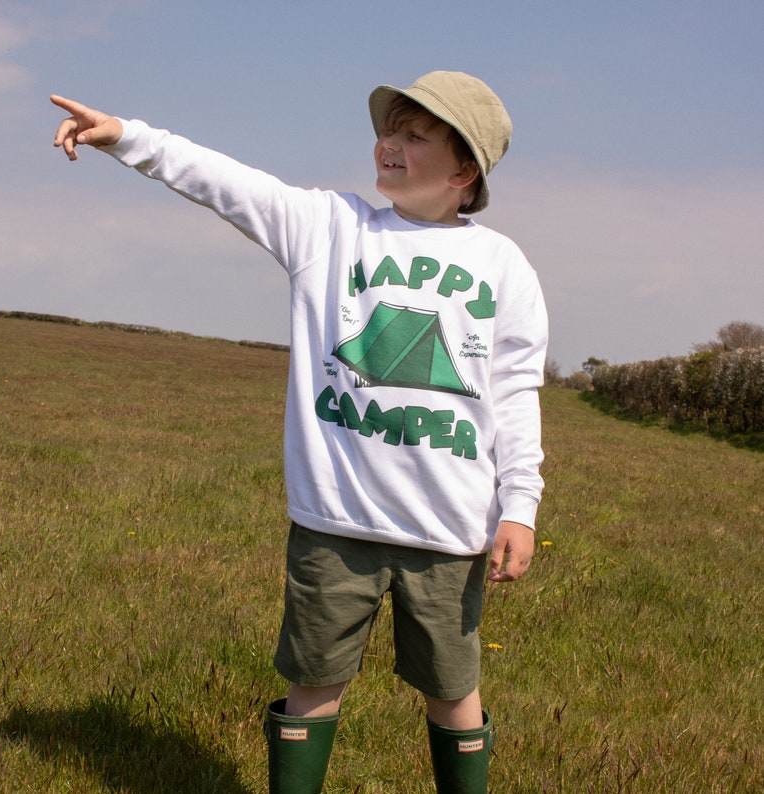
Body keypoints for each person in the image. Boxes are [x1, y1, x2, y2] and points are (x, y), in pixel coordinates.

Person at [52, 70, 548, 793]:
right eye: (389, 129)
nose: (390, 144)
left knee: (451, 686)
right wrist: (128, 138)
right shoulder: (330, 227)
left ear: (464, 169)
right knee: (313, 678)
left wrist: (520, 506)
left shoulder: (504, 265)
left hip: (448, 531)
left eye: (416, 135)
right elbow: (227, 182)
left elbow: (514, 394)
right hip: (334, 524)